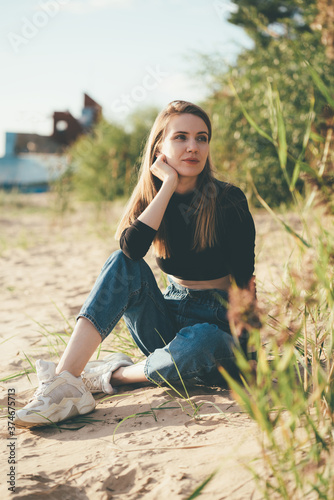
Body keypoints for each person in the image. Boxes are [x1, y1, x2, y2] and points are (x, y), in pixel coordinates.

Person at [15, 100, 256, 428]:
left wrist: (248, 350)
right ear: (160, 146)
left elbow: (245, 278)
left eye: (202, 138)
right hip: (167, 317)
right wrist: (167, 187)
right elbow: (131, 251)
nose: (193, 147)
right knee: (121, 262)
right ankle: (63, 382)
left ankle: (111, 375)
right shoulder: (155, 199)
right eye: (181, 137)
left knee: (201, 342)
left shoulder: (228, 199)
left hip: (218, 326)